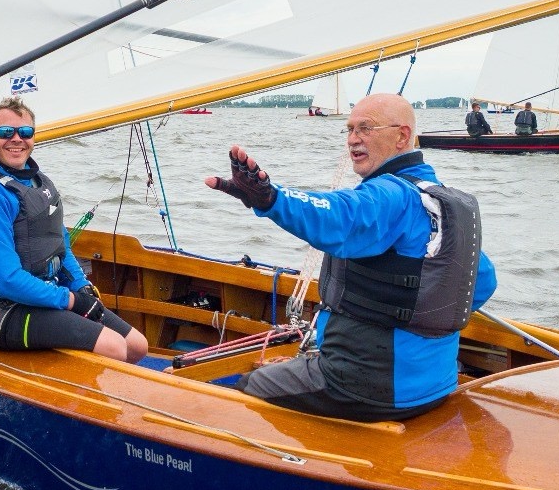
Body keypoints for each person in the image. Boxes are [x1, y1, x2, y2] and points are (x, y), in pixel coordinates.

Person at [204, 93, 496, 423]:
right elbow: (483, 280)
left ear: (401, 136)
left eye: (366, 128)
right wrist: (416, 316)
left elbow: (340, 217)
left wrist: (270, 198)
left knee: (250, 387)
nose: (354, 139)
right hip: (435, 385)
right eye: (349, 129)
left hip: (367, 387)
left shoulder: (390, 195)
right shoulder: (441, 202)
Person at [0, 97, 148, 364]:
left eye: (25, 132)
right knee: (114, 346)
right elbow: (4, 280)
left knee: (138, 345)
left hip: (41, 293)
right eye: (5, 132)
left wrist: (80, 287)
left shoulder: (36, 183)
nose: (17, 139)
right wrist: (69, 301)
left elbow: (60, 245)